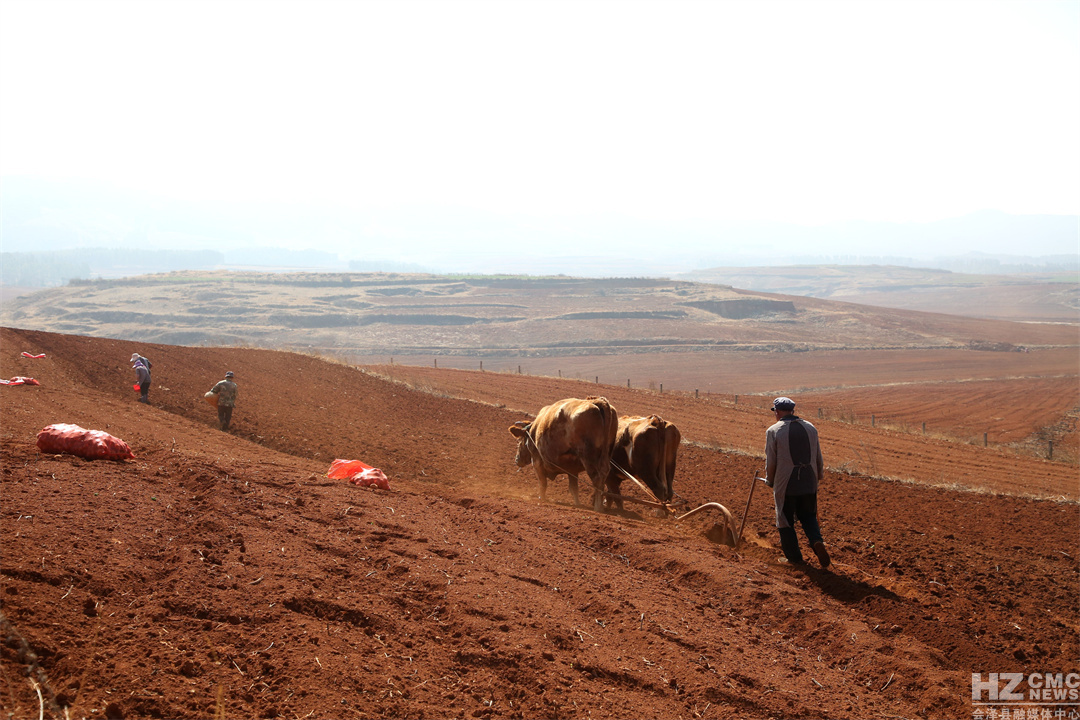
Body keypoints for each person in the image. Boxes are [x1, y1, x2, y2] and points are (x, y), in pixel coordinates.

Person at [762, 396, 831, 568]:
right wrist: (818, 476)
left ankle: (794, 559)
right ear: (792, 410)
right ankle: (816, 541)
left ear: (777, 412)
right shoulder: (810, 428)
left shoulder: (774, 431)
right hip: (809, 481)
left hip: (786, 484)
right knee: (808, 515)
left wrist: (770, 480)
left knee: (784, 519)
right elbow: (818, 456)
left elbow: (771, 461)